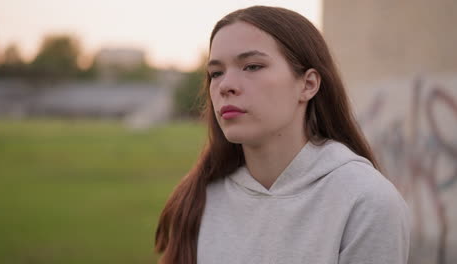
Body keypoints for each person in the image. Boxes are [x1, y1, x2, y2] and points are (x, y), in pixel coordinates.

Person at [155, 5, 410, 264]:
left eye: (252, 66)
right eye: (216, 73)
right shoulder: (199, 198)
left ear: (308, 84)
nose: (225, 85)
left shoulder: (366, 201)